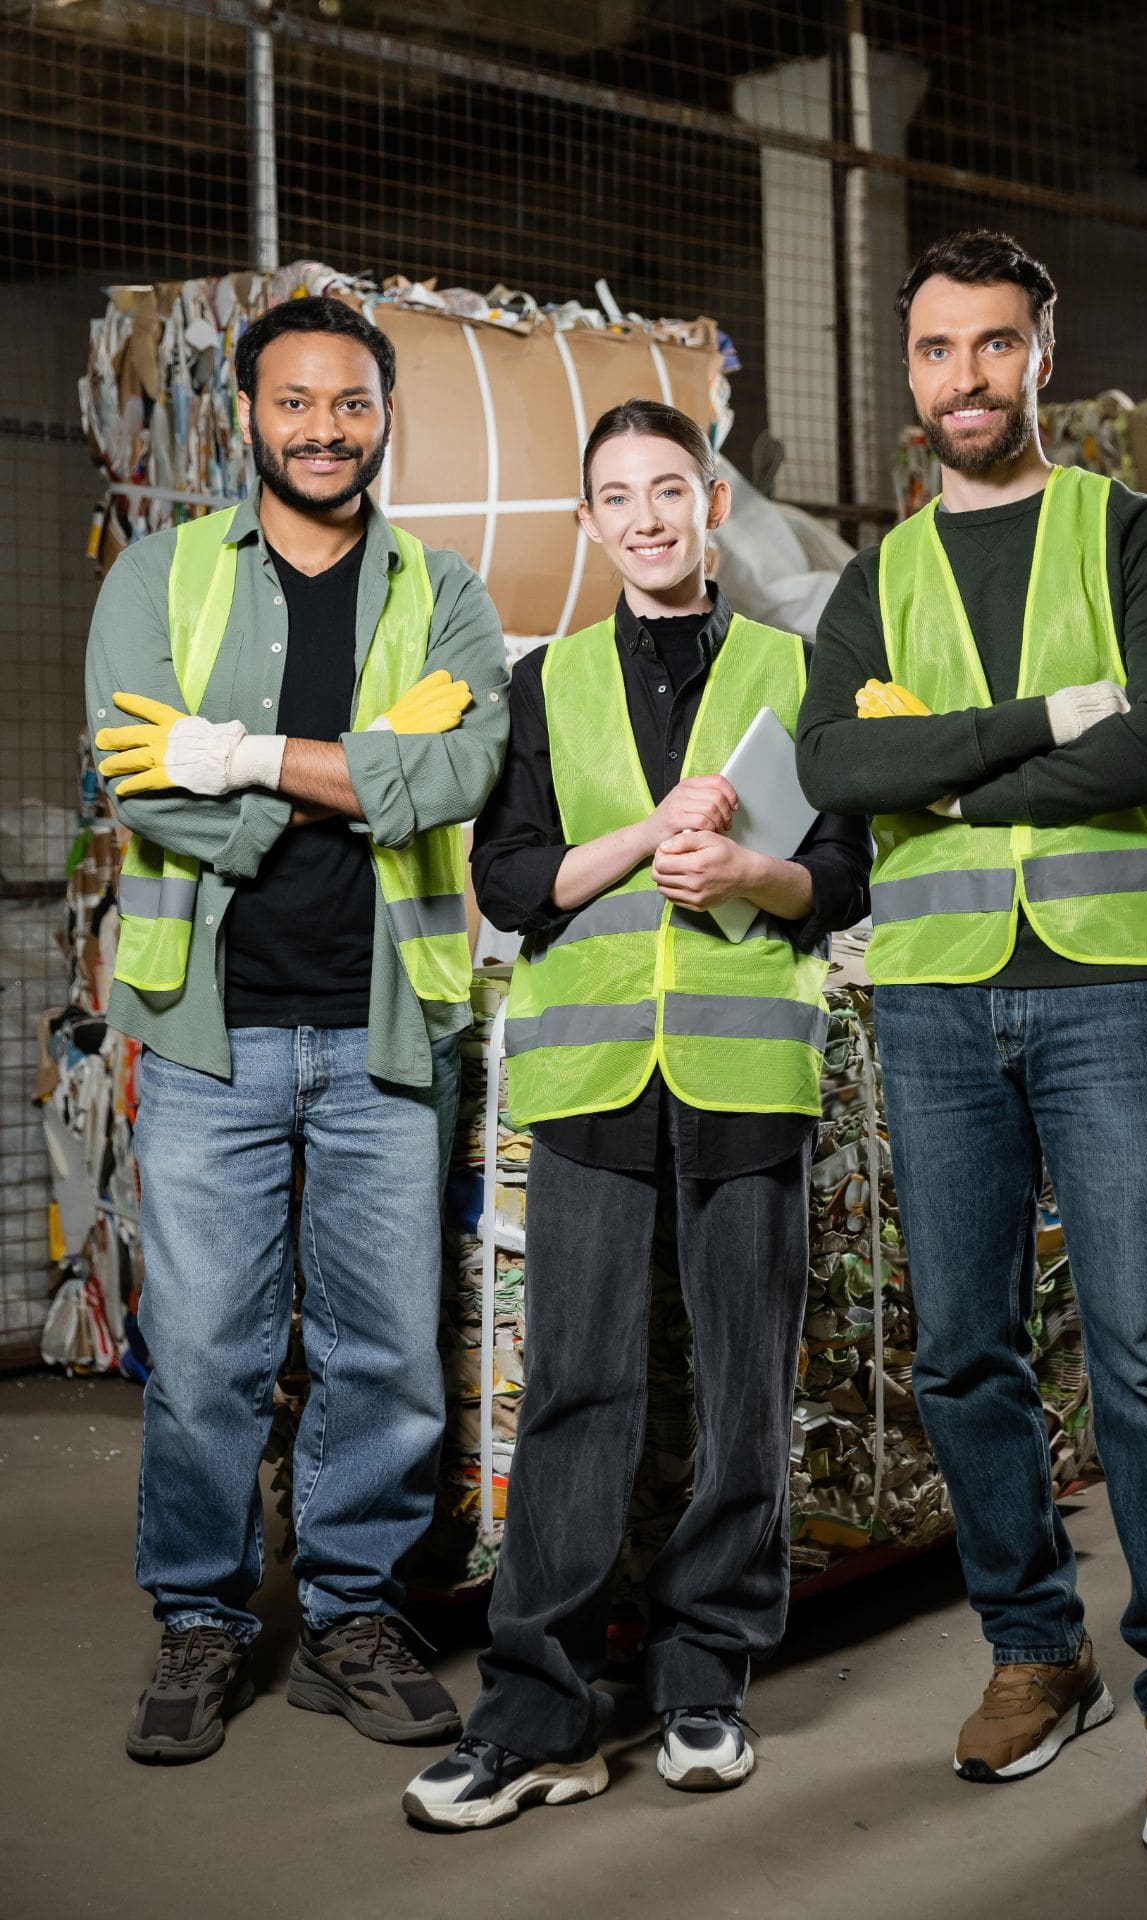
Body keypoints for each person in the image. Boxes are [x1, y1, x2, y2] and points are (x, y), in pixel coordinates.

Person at [796, 230, 1147, 1860]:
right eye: (937, 350)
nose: (965, 378)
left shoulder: (1130, 535)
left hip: (1113, 987)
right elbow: (837, 766)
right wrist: (1043, 730)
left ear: (1039, 358)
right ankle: (1034, 1654)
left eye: (995, 346)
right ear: (910, 371)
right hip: (931, 1000)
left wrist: (955, 779)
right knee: (964, 1354)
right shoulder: (879, 575)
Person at [401, 398, 871, 1831]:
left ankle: (703, 1679)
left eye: (673, 489)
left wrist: (748, 877)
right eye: (620, 497)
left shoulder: (800, 671)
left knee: (740, 1388)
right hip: (594, 1079)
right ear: (591, 525)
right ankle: (537, 1708)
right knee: (578, 1392)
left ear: (713, 503)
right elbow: (508, 880)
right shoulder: (548, 686)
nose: (651, 517)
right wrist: (650, 835)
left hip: (743, 1075)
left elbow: (843, 873)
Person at [86, 295, 509, 1764]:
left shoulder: (442, 590)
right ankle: (201, 1619)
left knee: (385, 1349)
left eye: (349, 403)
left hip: (389, 1027)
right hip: (213, 1029)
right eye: (294, 403)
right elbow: (137, 779)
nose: (322, 429)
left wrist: (242, 754)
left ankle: (350, 1615)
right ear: (246, 416)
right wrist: (347, 772)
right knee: (207, 1348)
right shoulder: (164, 574)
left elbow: (460, 772)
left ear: (384, 415)